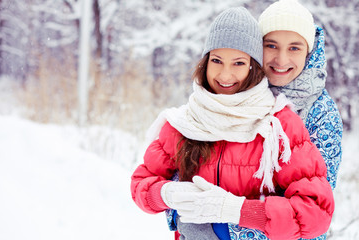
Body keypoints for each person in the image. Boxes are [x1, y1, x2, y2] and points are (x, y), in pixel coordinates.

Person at [130, 7, 334, 240]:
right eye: (217, 60)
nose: (225, 75)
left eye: (238, 63)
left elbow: (315, 213)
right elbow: (141, 183)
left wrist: (237, 210)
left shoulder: (279, 125)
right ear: (205, 62)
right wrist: (167, 194)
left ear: (253, 67)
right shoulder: (184, 122)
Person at [227, 1, 344, 240]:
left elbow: (312, 208)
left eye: (294, 48)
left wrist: (228, 224)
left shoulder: (321, 112)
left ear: (309, 52)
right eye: (271, 45)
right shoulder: (235, 93)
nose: (281, 59)